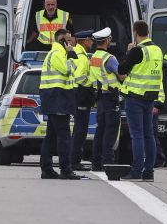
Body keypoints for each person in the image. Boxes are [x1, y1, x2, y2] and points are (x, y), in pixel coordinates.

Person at [118, 21, 163, 181]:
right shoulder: (157, 50)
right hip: (150, 97)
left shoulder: (137, 51)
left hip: (135, 97)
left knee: (136, 135)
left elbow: (121, 69)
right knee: (148, 134)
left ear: (135, 32)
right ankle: (148, 172)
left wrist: (128, 51)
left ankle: (136, 171)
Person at [39, 28, 81, 180]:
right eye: (68, 40)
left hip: (57, 97)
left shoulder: (60, 53)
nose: (71, 43)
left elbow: (74, 70)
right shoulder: (57, 54)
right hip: (57, 97)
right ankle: (65, 169)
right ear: (61, 40)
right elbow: (67, 70)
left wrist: (70, 55)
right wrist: (71, 54)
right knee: (64, 136)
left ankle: (47, 169)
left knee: (51, 135)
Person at [89, 28, 120, 171]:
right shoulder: (110, 58)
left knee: (100, 130)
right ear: (107, 40)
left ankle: (96, 163)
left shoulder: (94, 57)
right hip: (111, 98)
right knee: (111, 130)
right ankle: (108, 162)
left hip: (100, 97)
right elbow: (122, 75)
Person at [69, 30, 96, 171]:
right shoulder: (82, 57)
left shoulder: (76, 54)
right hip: (81, 94)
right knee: (80, 130)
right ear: (85, 41)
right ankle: (74, 161)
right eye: (90, 40)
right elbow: (79, 78)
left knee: (78, 129)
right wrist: (91, 84)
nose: (92, 43)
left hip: (76, 94)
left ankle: (73, 160)